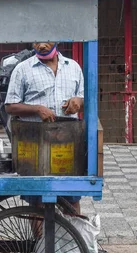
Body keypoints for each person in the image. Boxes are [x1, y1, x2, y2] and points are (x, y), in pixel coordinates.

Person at [5, 42, 84, 213]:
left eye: (46, 39)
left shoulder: (74, 67)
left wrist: (78, 101)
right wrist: (37, 109)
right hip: (35, 147)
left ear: (56, 39)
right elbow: (10, 106)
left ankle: (73, 239)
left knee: (71, 201)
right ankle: (38, 241)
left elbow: (82, 97)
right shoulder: (23, 69)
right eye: (37, 41)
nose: (41, 45)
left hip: (66, 144)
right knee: (37, 204)